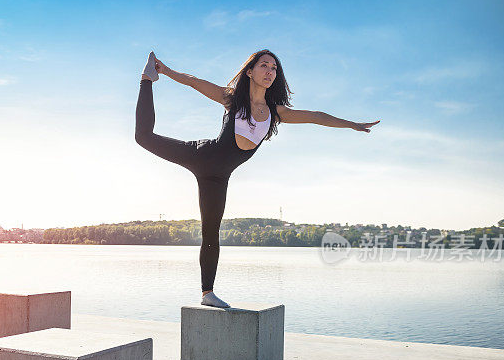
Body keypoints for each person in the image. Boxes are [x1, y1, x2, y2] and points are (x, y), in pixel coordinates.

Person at [135, 49, 380, 308]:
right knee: (143, 137)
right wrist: (167, 71)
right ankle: (147, 78)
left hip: (218, 178)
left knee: (210, 233)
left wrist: (353, 125)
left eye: (274, 69)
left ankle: (207, 294)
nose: (270, 72)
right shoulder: (231, 99)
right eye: (265, 65)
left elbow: (316, 117)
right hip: (200, 155)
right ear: (250, 71)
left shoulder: (276, 113)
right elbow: (195, 82)